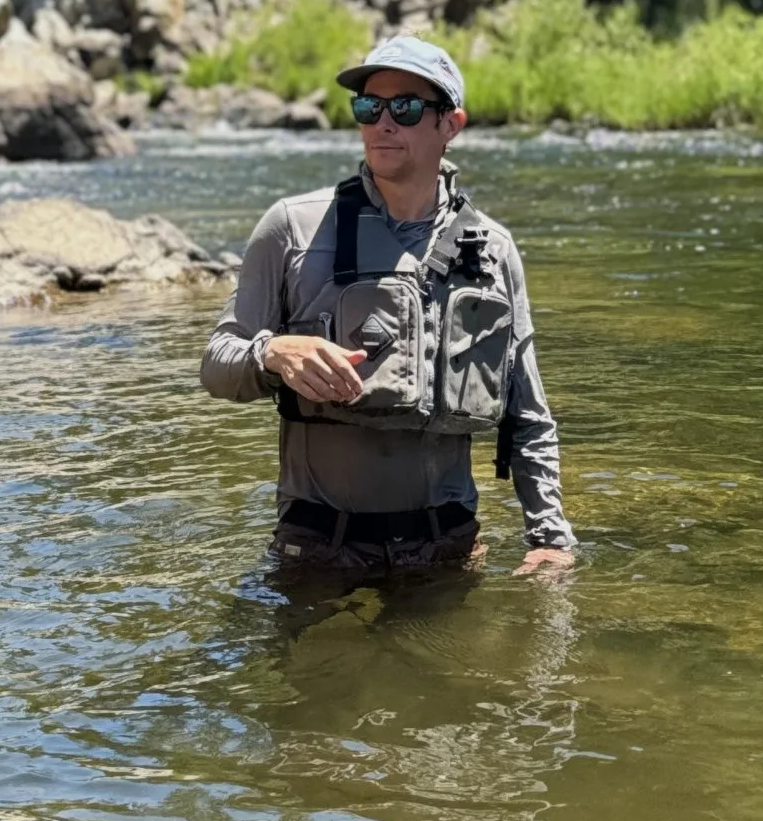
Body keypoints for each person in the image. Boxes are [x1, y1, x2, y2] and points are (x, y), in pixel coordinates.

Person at [200, 33, 576, 588]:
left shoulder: (492, 249)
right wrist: (272, 351)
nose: (383, 122)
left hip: (447, 550)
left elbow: (528, 411)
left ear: (451, 124)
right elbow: (217, 363)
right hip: (318, 551)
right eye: (368, 106)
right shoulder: (292, 228)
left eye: (405, 107)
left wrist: (549, 536)